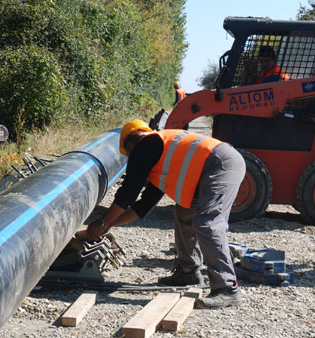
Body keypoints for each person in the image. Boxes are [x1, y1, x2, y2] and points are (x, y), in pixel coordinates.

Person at [87, 119, 246, 309]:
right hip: (211, 167)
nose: (130, 157)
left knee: (208, 222)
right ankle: (188, 272)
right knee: (184, 212)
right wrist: (109, 224)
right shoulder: (160, 156)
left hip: (220, 163)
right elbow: (142, 207)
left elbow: (127, 194)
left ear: (129, 142)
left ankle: (227, 288)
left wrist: (103, 223)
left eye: (128, 153)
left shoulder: (146, 144)